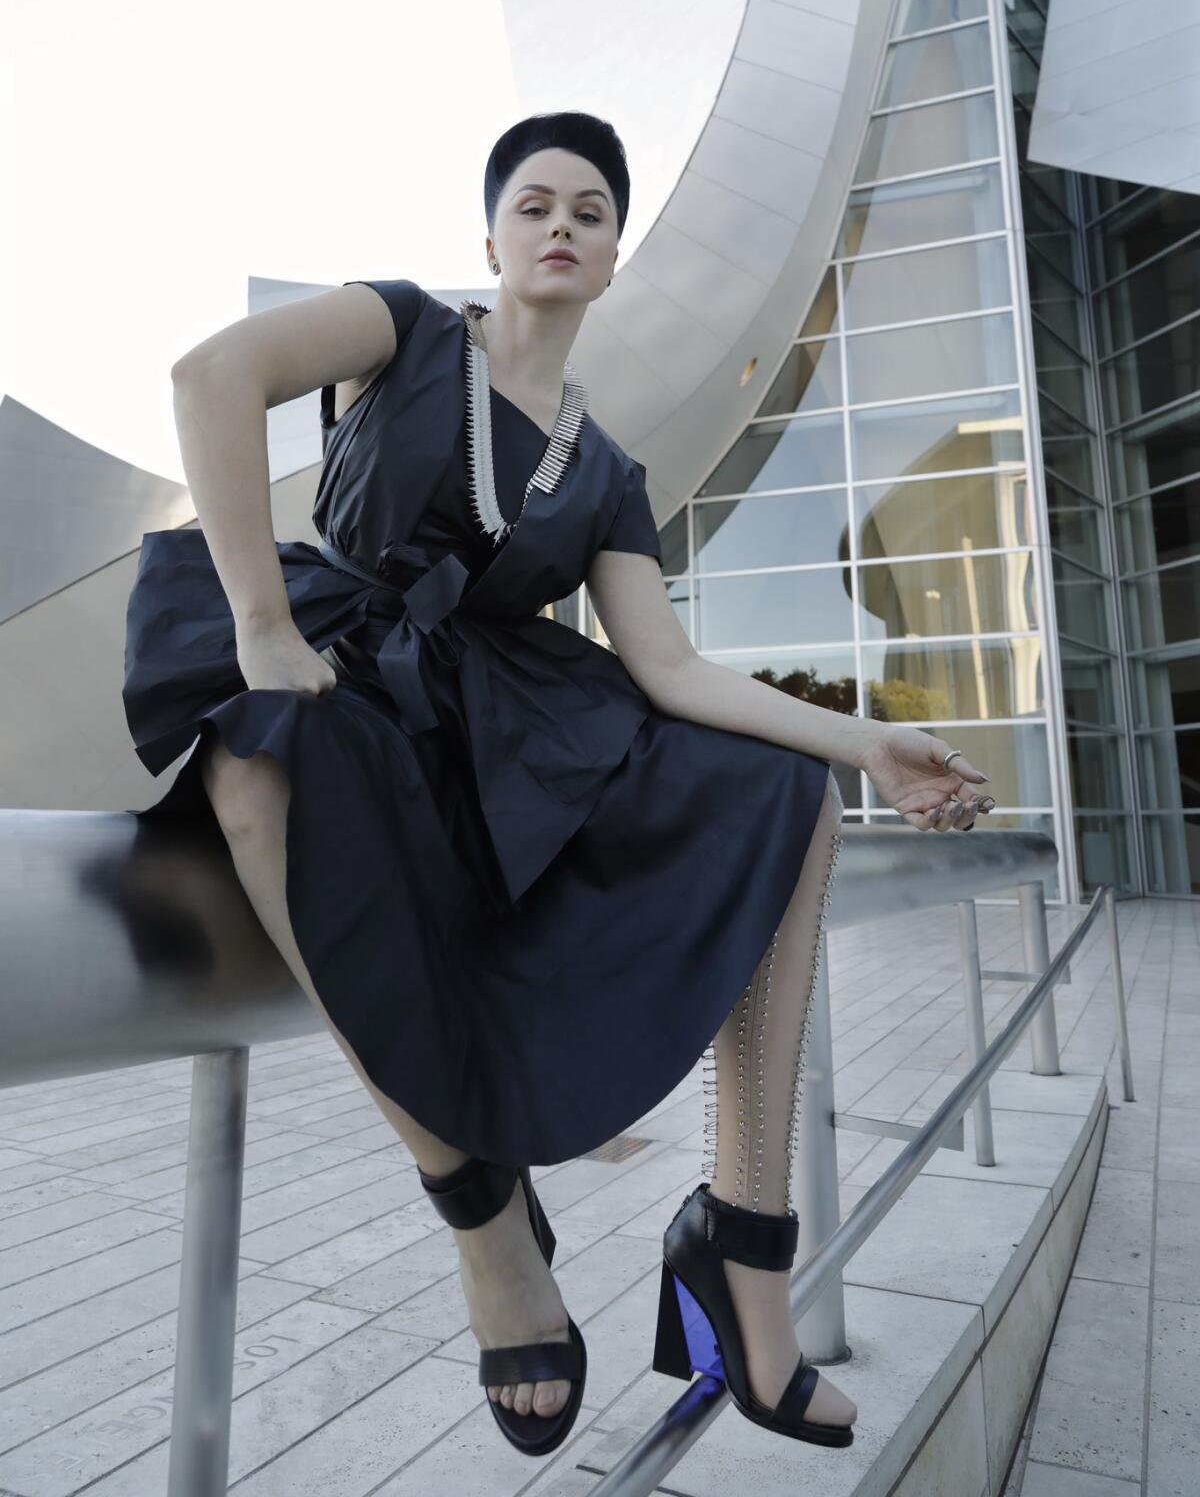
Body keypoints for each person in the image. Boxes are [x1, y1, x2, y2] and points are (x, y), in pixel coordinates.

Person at [121, 110, 994, 1459]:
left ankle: (743, 1249)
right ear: (493, 236)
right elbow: (207, 378)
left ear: (612, 256)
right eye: (536, 204)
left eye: (590, 212)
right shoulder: (403, 328)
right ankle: (484, 1219)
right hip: (334, 672)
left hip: (501, 723)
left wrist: (865, 743)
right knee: (257, 769)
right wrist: (260, 626)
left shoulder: (609, 473)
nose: (562, 225)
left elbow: (671, 670)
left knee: (779, 797)